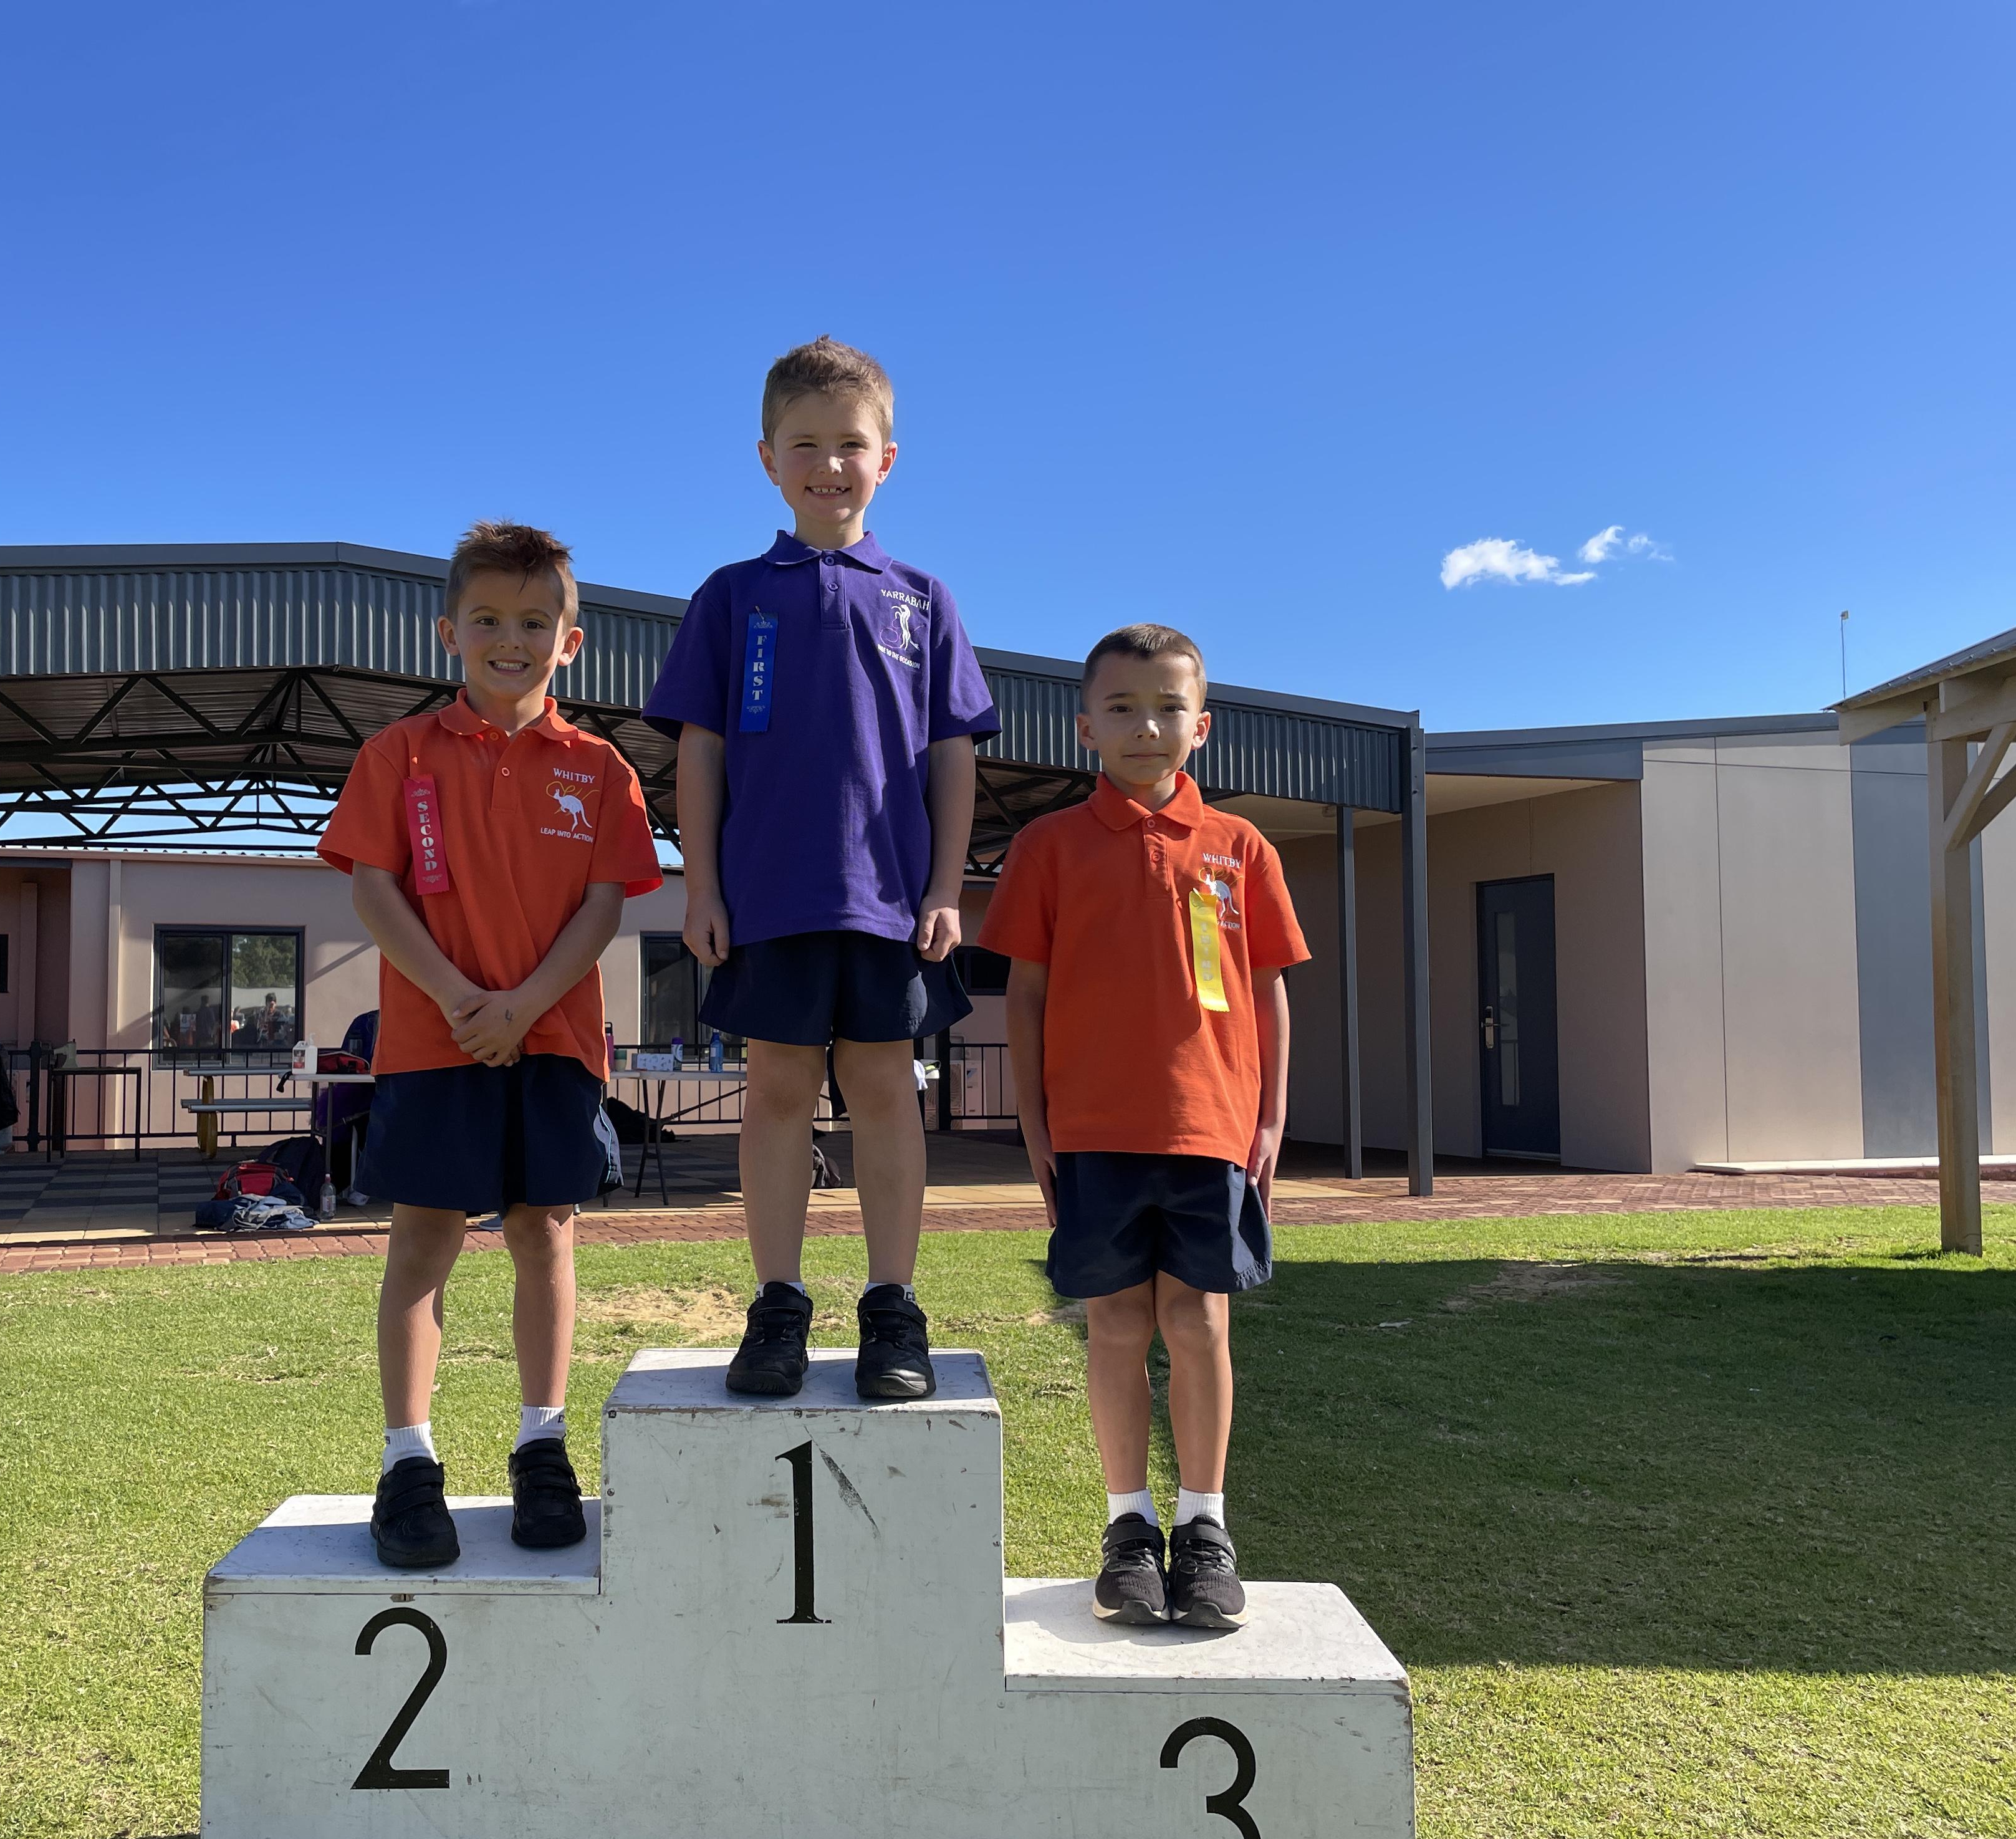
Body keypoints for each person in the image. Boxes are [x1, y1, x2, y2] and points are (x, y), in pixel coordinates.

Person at [644, 336, 1000, 1401]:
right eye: (805, 444)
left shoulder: (924, 598)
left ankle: (893, 1307)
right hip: (770, 895)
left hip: (891, 902)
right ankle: (778, 1306)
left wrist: (946, 889)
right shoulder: (730, 596)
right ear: (768, 459)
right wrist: (702, 887)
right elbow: (698, 753)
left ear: (886, 458)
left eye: (850, 444)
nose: (829, 464)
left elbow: (953, 756)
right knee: (778, 1091)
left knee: (886, 1089)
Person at [319, 520, 663, 1569]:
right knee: (423, 1240)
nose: (510, 640)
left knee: (543, 1232)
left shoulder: (600, 769)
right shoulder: (397, 755)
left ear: (570, 641)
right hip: (435, 1041)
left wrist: (522, 1007)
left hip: (554, 1040)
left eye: (533, 623)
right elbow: (374, 890)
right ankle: (407, 1461)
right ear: (449, 632)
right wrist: (462, 998)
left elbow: (604, 909)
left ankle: (541, 1446)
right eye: (487, 620)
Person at [979, 623, 1307, 1631]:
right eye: (1122, 708)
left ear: (1201, 726)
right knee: (1117, 1323)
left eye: (1169, 708)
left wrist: (1270, 1116)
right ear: (1086, 727)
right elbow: (1024, 995)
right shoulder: (1047, 848)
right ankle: (1129, 1530)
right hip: (1092, 1130)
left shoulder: (1240, 848)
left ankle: (1206, 1530)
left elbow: (1266, 988)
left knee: (1198, 1322)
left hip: (1211, 1127)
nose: (1146, 727)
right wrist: (1034, 1120)